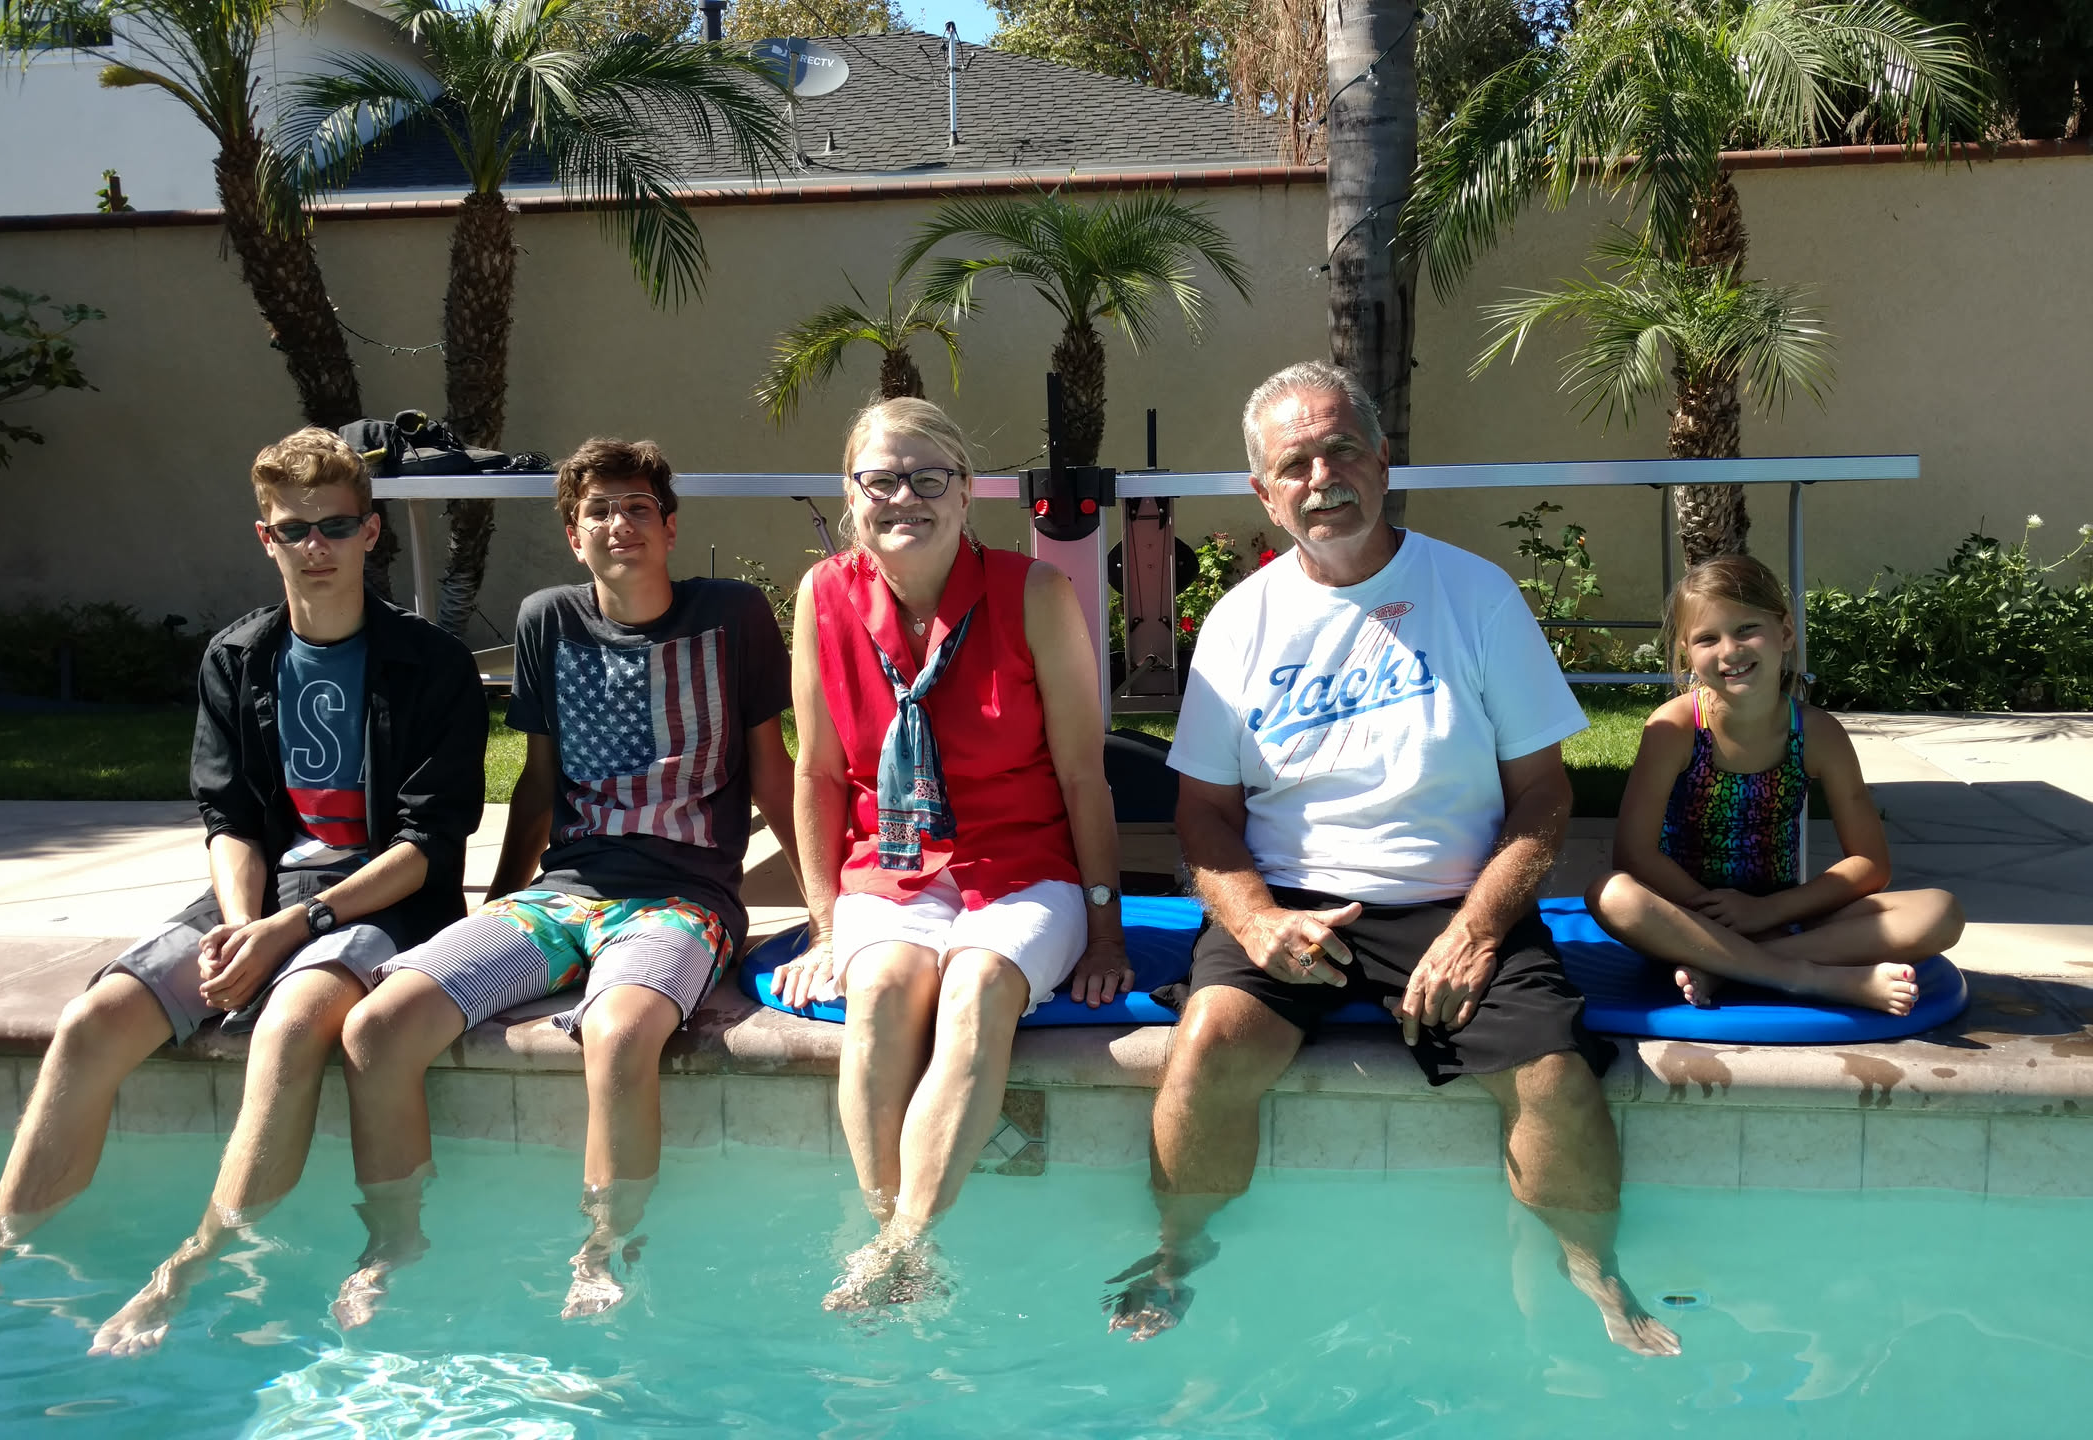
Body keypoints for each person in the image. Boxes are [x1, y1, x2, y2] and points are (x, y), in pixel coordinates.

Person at [0, 429, 487, 1353]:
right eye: (294, 530)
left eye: (335, 526)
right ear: (266, 539)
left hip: (379, 903)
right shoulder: (238, 658)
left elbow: (428, 847)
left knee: (289, 1027)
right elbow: (229, 821)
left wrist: (294, 928)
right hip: (266, 894)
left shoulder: (431, 664)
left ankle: (190, 1267)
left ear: (371, 533)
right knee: (92, 1021)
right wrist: (242, 928)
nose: (316, 547)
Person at [1104, 361, 1679, 1357]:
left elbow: (1544, 794)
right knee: (1205, 1051)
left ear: (1381, 461)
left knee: (1553, 1080)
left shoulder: (1475, 595)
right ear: (1265, 494)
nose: (1322, 477)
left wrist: (1478, 930)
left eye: (1341, 451)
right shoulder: (1240, 622)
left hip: (1456, 899)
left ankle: (1591, 1266)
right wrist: (1254, 920)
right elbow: (1202, 813)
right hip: (1291, 905)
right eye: (1295, 464)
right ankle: (1178, 1251)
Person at [331, 438, 797, 1326]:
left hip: (684, 901)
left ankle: (605, 1250)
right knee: (378, 1026)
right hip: (563, 896)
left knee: (617, 1035)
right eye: (599, 511)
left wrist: (832, 918)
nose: (620, 524)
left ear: (669, 528)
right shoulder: (548, 620)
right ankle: (392, 1243)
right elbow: (538, 785)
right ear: (574, 536)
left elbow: (775, 777)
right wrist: (499, 900)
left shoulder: (731, 615)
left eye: (637, 507)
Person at [770, 398, 1130, 1312]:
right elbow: (817, 772)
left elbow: (1083, 774)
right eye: (882, 480)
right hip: (890, 865)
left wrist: (1105, 931)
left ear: (967, 492)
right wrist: (823, 928)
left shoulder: (1034, 594)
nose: (906, 498)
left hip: (1023, 866)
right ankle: (889, 1234)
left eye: (929, 478)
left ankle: (901, 1247)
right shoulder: (824, 595)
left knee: (976, 986)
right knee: (883, 988)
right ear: (851, 493)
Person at [1586, 555, 1963, 1012]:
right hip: (1686, 919)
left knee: (1940, 912)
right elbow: (1634, 854)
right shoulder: (1675, 729)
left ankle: (1729, 966)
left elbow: (1870, 863)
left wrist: (1766, 912)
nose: (1729, 650)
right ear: (1687, 653)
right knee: (1610, 894)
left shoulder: (1817, 734)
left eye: (1746, 629)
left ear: (1785, 633)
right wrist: (1716, 911)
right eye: (1707, 638)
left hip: (1782, 915)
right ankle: (1809, 977)